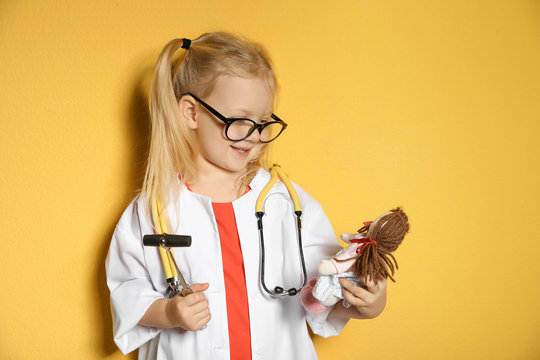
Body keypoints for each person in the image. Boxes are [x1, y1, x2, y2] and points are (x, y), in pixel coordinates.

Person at [106, 32, 387, 360]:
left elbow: (321, 294)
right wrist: (169, 313)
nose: (254, 135)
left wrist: (367, 305)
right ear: (191, 113)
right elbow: (127, 292)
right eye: (239, 120)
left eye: (264, 122)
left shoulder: (287, 203)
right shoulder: (154, 209)